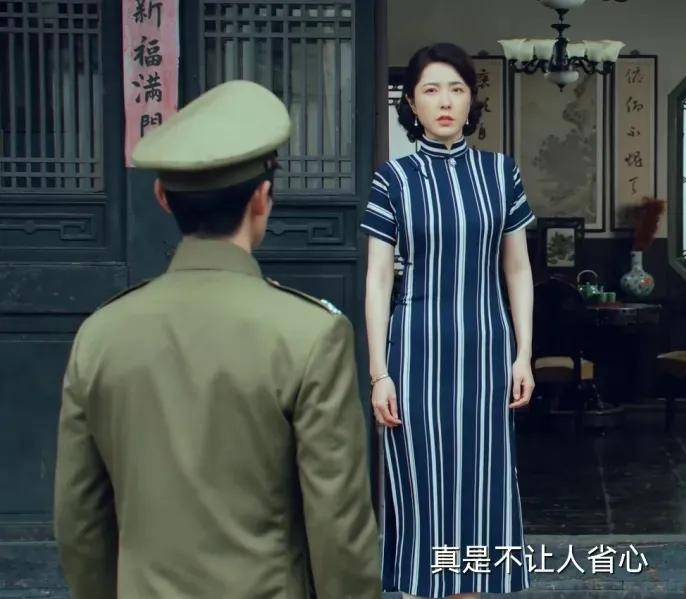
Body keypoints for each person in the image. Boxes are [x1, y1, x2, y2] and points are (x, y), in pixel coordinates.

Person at [53, 80, 381, 599]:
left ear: (162, 198)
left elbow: (79, 520)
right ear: (262, 198)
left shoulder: (101, 334)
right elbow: (338, 526)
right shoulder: (310, 335)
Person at [361, 43, 536, 599]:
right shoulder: (393, 179)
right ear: (411, 104)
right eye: (431, 90)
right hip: (415, 353)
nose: (444, 102)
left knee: (483, 485)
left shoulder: (500, 173)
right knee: (422, 486)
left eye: (456, 89)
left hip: (487, 350)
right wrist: (379, 372)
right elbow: (378, 279)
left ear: (471, 100)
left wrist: (523, 355)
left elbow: (518, 269)